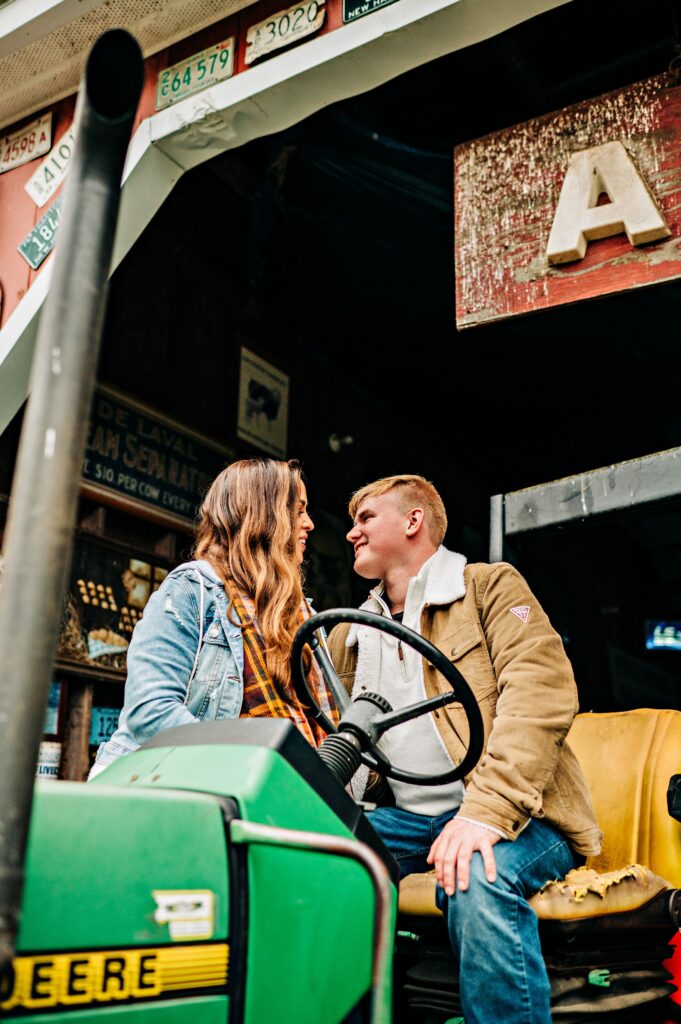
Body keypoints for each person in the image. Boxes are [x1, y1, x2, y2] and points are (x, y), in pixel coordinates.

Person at [327, 473, 602, 1024]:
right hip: (408, 821)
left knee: (480, 875)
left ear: (412, 521)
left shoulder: (489, 589)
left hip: (520, 820)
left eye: (366, 518)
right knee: (314, 858)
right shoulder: (349, 633)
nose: (351, 532)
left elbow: (541, 691)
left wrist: (486, 814)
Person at [90, 457, 337, 779]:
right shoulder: (193, 588)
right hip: (190, 791)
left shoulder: (302, 615)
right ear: (264, 515)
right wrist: (255, 767)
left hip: (281, 796)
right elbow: (150, 712)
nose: (309, 524)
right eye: (298, 510)